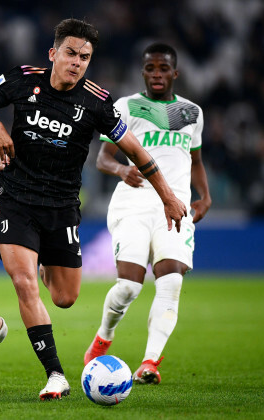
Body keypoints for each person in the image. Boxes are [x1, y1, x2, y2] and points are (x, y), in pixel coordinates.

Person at [0, 19, 187, 400]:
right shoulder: (23, 79)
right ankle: (56, 375)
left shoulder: (97, 102)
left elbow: (135, 150)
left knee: (65, 298)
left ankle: (47, 261)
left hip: (63, 207)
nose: (77, 62)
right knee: (24, 282)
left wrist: (167, 195)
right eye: (70, 53)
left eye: (85, 57)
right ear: (53, 54)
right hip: (15, 197)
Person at [83, 43, 212, 385]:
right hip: (134, 202)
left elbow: (195, 160)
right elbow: (103, 158)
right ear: (143, 72)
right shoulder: (125, 107)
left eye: (163, 68)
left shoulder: (193, 113)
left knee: (171, 283)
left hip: (176, 205)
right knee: (128, 287)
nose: (157, 74)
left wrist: (205, 197)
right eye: (151, 68)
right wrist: (120, 171)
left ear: (175, 73)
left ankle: (150, 362)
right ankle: (103, 338)